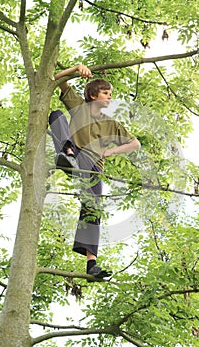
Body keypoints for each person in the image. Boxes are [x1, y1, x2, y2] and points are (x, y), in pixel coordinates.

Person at [49, 64, 141, 280]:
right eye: (106, 93)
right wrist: (75, 68)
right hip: (73, 156)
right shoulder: (79, 106)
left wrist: (111, 151)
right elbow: (56, 79)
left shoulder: (111, 123)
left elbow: (135, 144)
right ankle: (67, 154)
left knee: (93, 208)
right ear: (92, 95)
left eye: (111, 94)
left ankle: (91, 263)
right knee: (56, 114)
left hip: (93, 167)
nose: (110, 98)